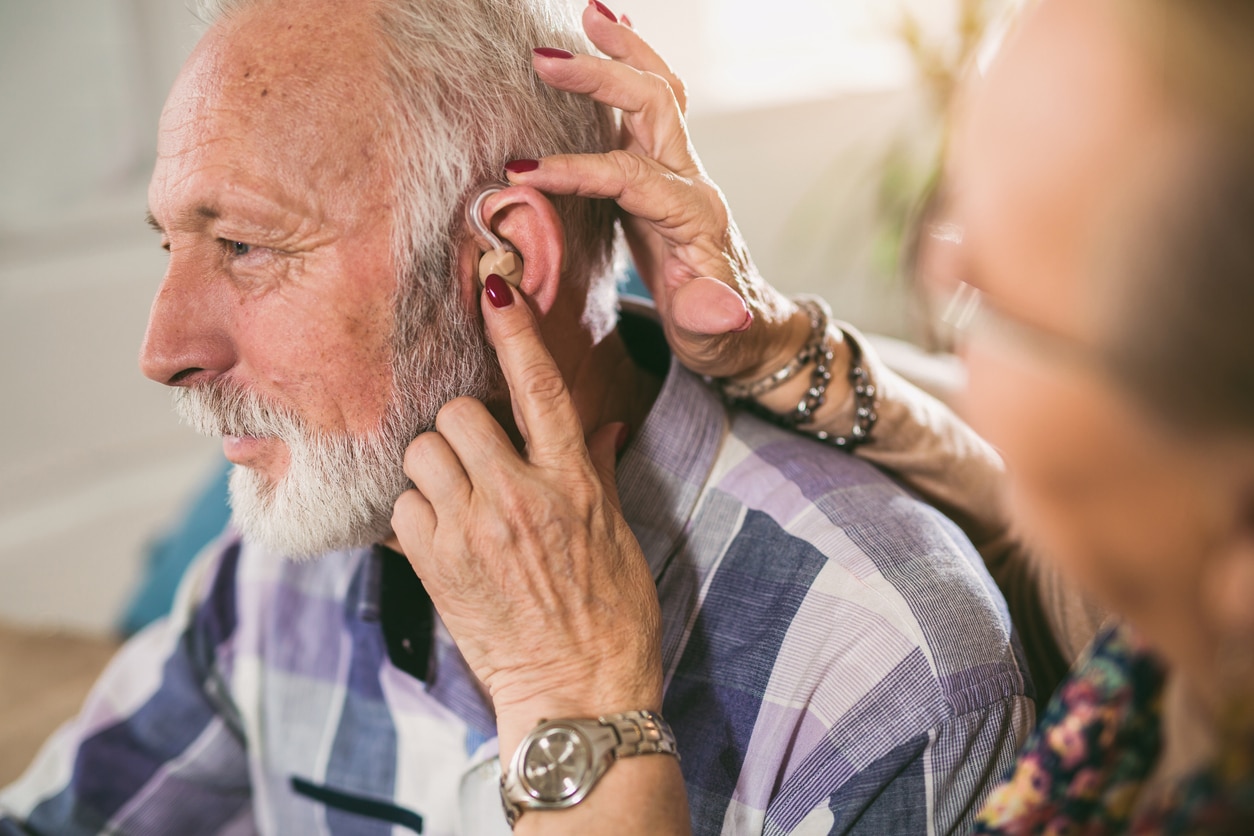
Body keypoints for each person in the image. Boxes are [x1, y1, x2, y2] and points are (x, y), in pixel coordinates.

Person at [0, 0, 1036, 834]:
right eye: (169, 244)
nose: (164, 349)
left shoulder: (879, 675)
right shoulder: (284, 550)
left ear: (505, 259)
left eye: (246, 247)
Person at [389, 0, 1254, 832]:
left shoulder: (911, 673)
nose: (947, 337)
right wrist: (779, 347)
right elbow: (1062, 559)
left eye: (980, 297)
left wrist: (575, 716)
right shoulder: (1162, 661)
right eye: (939, 234)